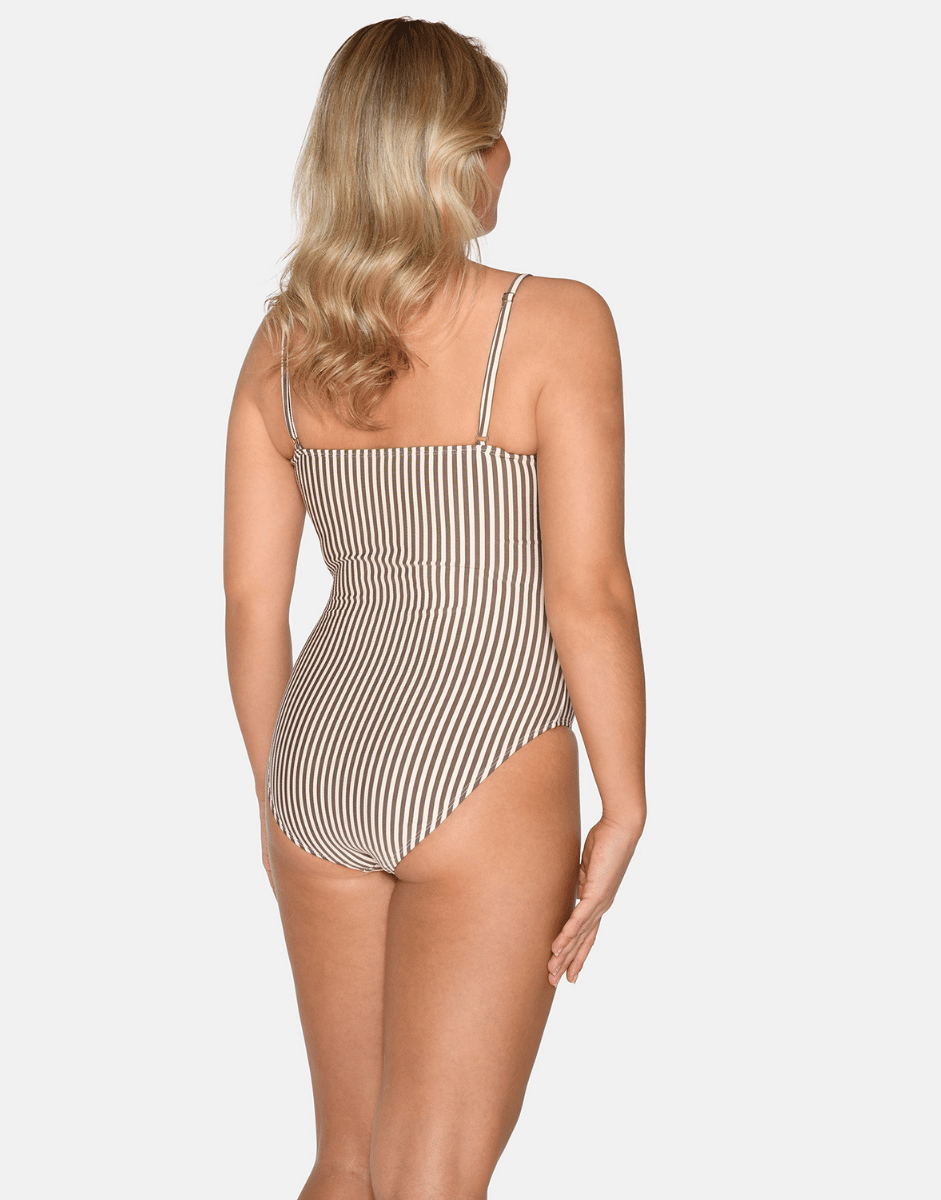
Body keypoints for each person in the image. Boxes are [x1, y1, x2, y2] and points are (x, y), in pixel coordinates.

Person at [224, 17, 646, 1199]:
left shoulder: (284, 342)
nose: (509, 160)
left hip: (317, 756)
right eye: (495, 137)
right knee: (433, 1179)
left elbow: (252, 603)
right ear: (458, 156)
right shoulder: (555, 322)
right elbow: (590, 595)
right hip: (486, 756)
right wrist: (624, 802)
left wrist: (278, 797)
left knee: (346, 1164)